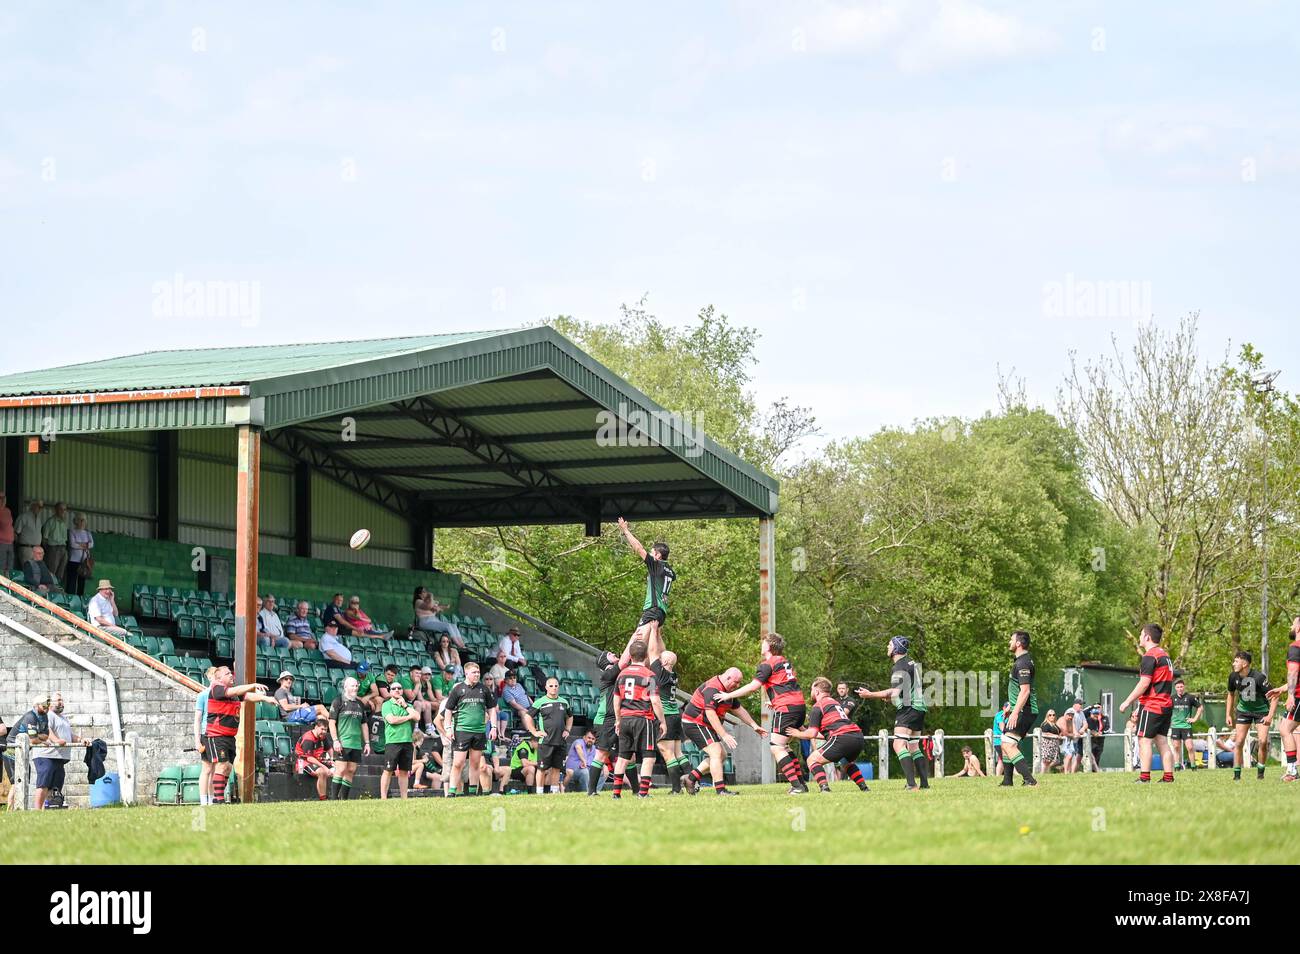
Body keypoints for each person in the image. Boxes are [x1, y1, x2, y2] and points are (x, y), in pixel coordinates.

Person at [715, 632, 808, 793]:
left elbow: (752, 687)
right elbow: (787, 685)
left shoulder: (768, 664)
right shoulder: (785, 662)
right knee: (785, 746)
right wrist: (774, 701)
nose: (761, 645)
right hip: (798, 706)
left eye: (763, 642)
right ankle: (801, 784)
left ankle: (797, 786)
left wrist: (728, 695)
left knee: (776, 747)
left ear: (769, 646)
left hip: (786, 707)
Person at [858, 636, 930, 791]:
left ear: (896, 649)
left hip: (908, 708)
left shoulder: (899, 667)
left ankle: (911, 785)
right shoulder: (912, 663)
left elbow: (895, 691)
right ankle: (924, 784)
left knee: (898, 744)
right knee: (913, 746)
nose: (887, 646)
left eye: (889, 644)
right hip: (920, 707)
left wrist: (870, 694)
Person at [679, 667, 766, 796]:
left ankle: (690, 778)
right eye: (736, 682)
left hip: (707, 725)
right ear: (728, 677)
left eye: (739, 683)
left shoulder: (728, 692)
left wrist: (754, 725)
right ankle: (721, 790)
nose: (737, 686)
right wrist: (724, 735)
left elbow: (739, 710)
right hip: (694, 722)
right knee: (716, 752)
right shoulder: (713, 688)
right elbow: (710, 713)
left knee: (722, 756)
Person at [786, 677, 869, 793]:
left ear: (817, 691)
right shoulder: (834, 703)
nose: (811, 692)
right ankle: (864, 788)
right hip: (857, 736)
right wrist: (803, 730)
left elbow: (812, 733)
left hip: (842, 737)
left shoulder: (818, 706)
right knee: (846, 762)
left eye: (811, 689)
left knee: (812, 760)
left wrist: (797, 733)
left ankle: (824, 789)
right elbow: (825, 733)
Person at [1118, 623, 1176, 784]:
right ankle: (1168, 777)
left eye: (1141, 634)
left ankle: (1144, 778)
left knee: (1144, 740)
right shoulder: (1164, 655)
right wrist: (1139, 707)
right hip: (1165, 704)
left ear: (1147, 637)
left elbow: (1144, 684)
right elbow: (1156, 684)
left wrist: (1127, 701)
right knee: (1162, 741)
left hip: (1153, 705)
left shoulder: (1150, 656)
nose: (1139, 638)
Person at [204, 666, 272, 803]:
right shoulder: (216, 688)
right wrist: (252, 684)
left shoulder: (232, 693)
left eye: (231, 673)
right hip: (217, 735)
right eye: (227, 673)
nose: (231, 675)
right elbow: (234, 691)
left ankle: (218, 798)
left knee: (228, 767)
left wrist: (265, 699)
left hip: (229, 736)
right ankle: (219, 800)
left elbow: (247, 696)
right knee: (222, 765)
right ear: (218, 678)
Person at [611, 640, 668, 799]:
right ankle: (643, 793)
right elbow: (655, 700)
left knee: (623, 757)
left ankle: (616, 794)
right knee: (649, 756)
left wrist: (618, 720)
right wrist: (662, 721)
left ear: (631, 656)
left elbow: (616, 700)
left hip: (626, 719)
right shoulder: (649, 675)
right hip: (643, 719)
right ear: (646, 656)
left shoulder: (621, 675)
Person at [616, 516, 675, 647]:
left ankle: (621, 667)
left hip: (652, 609)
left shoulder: (656, 564)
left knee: (637, 642)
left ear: (658, 555)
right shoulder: (670, 570)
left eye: (652, 552)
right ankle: (662, 665)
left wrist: (625, 530)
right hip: (661, 612)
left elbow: (638, 548)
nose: (649, 553)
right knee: (655, 642)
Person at [442, 662, 498, 797]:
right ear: (466, 673)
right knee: (458, 763)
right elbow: (448, 710)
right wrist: (448, 728)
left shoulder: (484, 689)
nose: (477, 674)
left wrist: (494, 727)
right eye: (474, 672)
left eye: (478, 672)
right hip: (461, 731)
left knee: (475, 763)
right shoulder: (458, 689)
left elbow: (491, 710)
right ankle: (452, 792)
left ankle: (472, 792)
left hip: (479, 731)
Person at [1225, 651, 1276, 781]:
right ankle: (1236, 776)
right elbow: (1231, 694)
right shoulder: (1233, 677)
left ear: (1245, 663)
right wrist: (1228, 714)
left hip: (1261, 712)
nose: (1233, 664)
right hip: (1243, 711)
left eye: (1236, 661)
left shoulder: (1259, 677)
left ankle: (1260, 773)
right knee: (1239, 741)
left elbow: (1275, 696)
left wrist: (1270, 716)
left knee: (1263, 741)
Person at [997, 631, 1038, 787]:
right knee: (1004, 742)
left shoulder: (1023, 663)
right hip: (1019, 709)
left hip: (1024, 710)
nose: (1009, 642)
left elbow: (1025, 691)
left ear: (1019, 643)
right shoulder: (1022, 661)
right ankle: (1007, 781)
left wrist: (1015, 712)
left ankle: (1030, 780)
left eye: (1011, 639)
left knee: (1008, 744)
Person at [32, 692, 84, 810]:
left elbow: (69, 735)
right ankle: (37, 810)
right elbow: (47, 730)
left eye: (62, 700)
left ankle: (51, 807)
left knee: (56, 785)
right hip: (46, 756)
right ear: (50, 703)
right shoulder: (48, 715)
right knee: (44, 782)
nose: (61, 702)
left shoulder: (63, 718)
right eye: (58, 700)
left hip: (59, 757)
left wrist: (81, 740)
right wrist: (56, 741)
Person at [523, 677, 572, 794]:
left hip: (560, 741)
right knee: (541, 768)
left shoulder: (564, 702)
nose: (554, 688)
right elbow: (527, 716)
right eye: (551, 686)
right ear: (546, 687)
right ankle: (539, 793)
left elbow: (570, 717)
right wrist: (534, 732)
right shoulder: (540, 702)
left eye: (556, 686)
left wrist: (568, 730)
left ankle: (554, 792)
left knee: (556, 768)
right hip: (545, 742)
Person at [650, 649, 689, 792]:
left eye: (661, 659)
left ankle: (676, 789)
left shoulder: (660, 674)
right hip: (675, 715)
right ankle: (693, 782)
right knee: (679, 753)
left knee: (667, 753)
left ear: (665, 662)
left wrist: (654, 630)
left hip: (666, 715)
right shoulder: (673, 674)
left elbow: (653, 651)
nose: (658, 661)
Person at [327, 676, 370, 800]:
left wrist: (367, 743)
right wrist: (335, 740)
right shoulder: (338, 701)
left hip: (356, 744)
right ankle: (334, 799)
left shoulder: (360, 704)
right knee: (340, 769)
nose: (355, 688)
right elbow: (331, 722)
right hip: (342, 742)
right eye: (352, 685)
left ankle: (344, 799)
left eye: (356, 686)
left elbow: (364, 724)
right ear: (345, 687)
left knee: (351, 770)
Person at [380, 684, 419, 799]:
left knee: (404, 771)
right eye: (394, 688)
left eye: (399, 688)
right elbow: (392, 720)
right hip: (393, 741)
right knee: (388, 770)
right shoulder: (386, 704)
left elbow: (417, 717)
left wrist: (406, 706)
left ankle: (404, 798)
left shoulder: (408, 705)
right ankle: (383, 798)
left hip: (407, 741)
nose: (397, 690)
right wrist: (408, 717)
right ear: (390, 691)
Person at [1280, 617, 1300, 781]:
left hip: (1299, 697)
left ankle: (1292, 771)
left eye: (1293, 623)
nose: (1291, 626)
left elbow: (1293, 673)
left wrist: (1291, 695)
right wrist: (1283, 688)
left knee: (1285, 729)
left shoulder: (1295, 647)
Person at [194, 666, 217, 806]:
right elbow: (197, 719)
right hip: (206, 734)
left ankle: (211, 800)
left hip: (217, 734)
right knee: (207, 769)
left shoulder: (221, 694)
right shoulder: (203, 695)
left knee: (215, 770)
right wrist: (197, 740)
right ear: (210, 677)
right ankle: (203, 801)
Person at [294, 719, 333, 800]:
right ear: (316, 727)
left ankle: (336, 796)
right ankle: (323, 798)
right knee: (322, 772)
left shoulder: (323, 736)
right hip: (303, 761)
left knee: (339, 769)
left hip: (317, 759)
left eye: (326, 730)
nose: (324, 731)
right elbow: (309, 758)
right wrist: (324, 767)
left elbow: (329, 748)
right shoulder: (309, 738)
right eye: (322, 729)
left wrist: (332, 759)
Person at [1169, 679, 1203, 770]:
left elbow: (1200, 707)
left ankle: (1193, 766)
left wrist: (1195, 719)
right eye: (1178, 687)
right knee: (1176, 747)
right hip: (1175, 726)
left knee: (1190, 747)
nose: (1180, 688)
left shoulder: (1190, 697)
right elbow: (1166, 710)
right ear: (1175, 688)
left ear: (1184, 687)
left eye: (1181, 686)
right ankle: (1177, 766)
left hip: (1186, 726)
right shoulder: (1172, 698)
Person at [40, 502, 70, 583]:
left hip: (63, 548)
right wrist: (50, 550)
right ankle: (49, 589)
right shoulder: (50, 522)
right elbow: (44, 539)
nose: (63, 511)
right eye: (61, 509)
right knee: (52, 571)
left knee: (61, 572)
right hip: (53, 548)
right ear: (56, 510)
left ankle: (56, 589)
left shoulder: (64, 523)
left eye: (64, 510)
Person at [65, 514, 94, 596]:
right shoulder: (72, 531)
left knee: (82, 582)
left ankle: (79, 598)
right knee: (71, 581)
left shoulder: (88, 533)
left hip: (84, 562)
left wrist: (80, 544)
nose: (82, 522)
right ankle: (69, 597)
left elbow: (91, 544)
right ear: (76, 521)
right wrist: (85, 545)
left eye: (83, 520)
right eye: (80, 520)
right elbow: (73, 544)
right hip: (73, 560)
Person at [13, 498, 44, 568]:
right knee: (27, 570)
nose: (40, 509)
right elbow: (15, 533)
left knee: (36, 571)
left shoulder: (39, 520)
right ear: (32, 506)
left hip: (37, 549)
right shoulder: (23, 517)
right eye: (38, 506)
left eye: (41, 507)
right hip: (26, 548)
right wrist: (19, 546)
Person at [1082, 701, 1109, 771]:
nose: (1096, 713)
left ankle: (1094, 771)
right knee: (1090, 755)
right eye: (1096, 708)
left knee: (1097, 755)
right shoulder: (1088, 718)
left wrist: (1101, 733)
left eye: (1099, 707)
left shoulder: (1104, 717)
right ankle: (1091, 770)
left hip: (1100, 740)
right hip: (1090, 740)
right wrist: (1091, 707)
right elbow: (1088, 728)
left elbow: (1107, 728)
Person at [991, 701, 1010, 774]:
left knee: (1001, 759)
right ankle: (1015, 773)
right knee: (1009, 758)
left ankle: (998, 776)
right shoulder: (1000, 715)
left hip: (1007, 741)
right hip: (999, 741)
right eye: (1008, 707)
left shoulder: (1011, 715)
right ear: (1004, 708)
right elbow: (1002, 728)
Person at [0, 489, 14, 577]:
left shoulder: (7, 511)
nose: (2, 500)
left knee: (10, 566)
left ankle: (9, 586)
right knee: (2, 565)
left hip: (10, 542)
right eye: (0, 498)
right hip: (1, 542)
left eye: (3, 498)